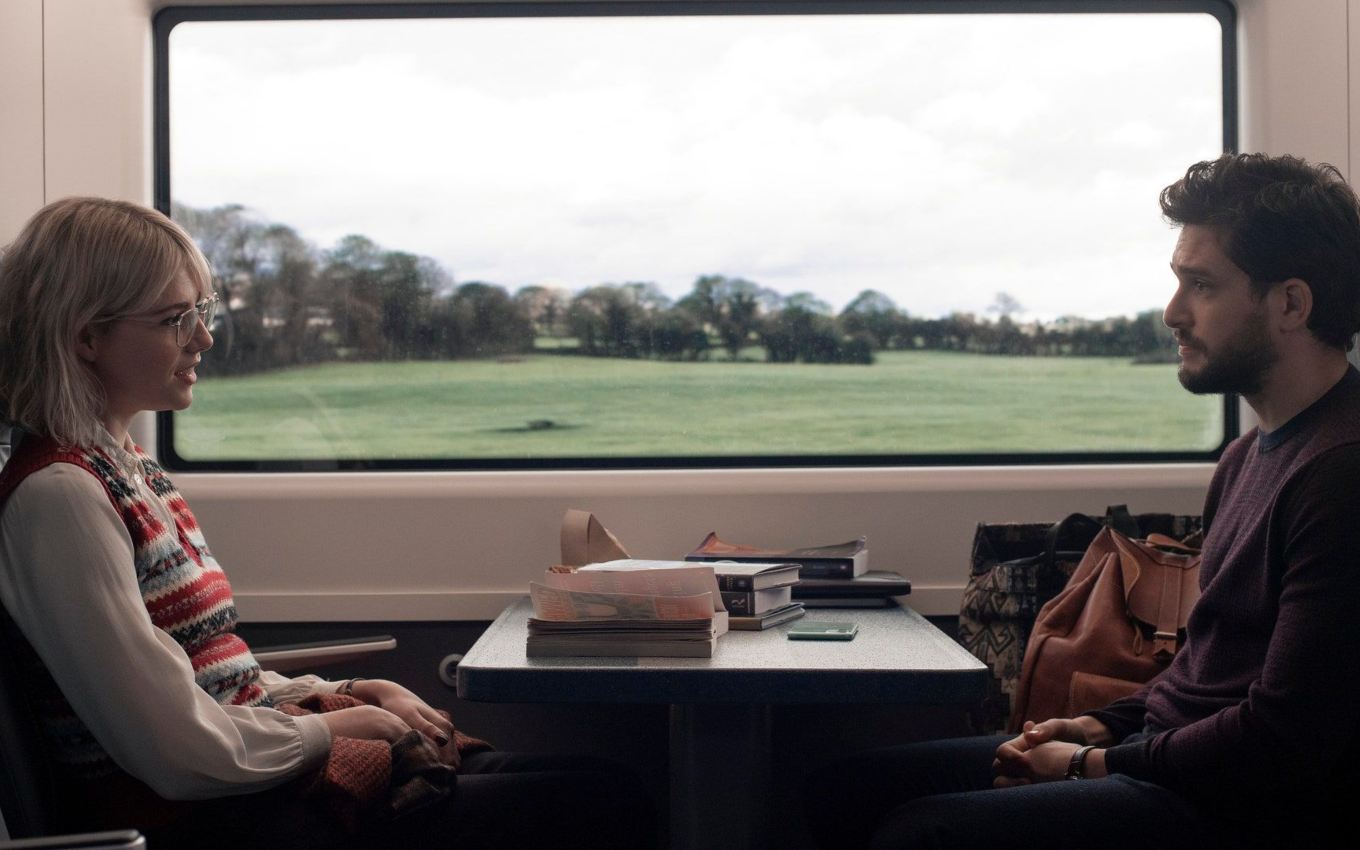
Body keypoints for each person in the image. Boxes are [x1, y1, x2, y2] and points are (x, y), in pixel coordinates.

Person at [0, 197, 656, 849]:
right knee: (603, 800)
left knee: (595, 783)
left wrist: (351, 690)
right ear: (86, 336)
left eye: (203, 312)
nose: (203, 339)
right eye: (176, 319)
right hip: (208, 819)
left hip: (248, 784)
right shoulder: (61, 497)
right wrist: (340, 728)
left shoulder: (129, 468)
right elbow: (175, 747)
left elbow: (218, 683)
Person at [806, 152, 1360, 850]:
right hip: (1166, 758)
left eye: (1201, 285)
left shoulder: (1341, 474)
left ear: (1290, 304)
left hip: (1242, 806)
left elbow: (1287, 736)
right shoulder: (1246, 458)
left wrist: (1089, 764)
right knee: (845, 789)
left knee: (923, 833)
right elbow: (1204, 670)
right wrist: (1104, 724)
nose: (1173, 313)